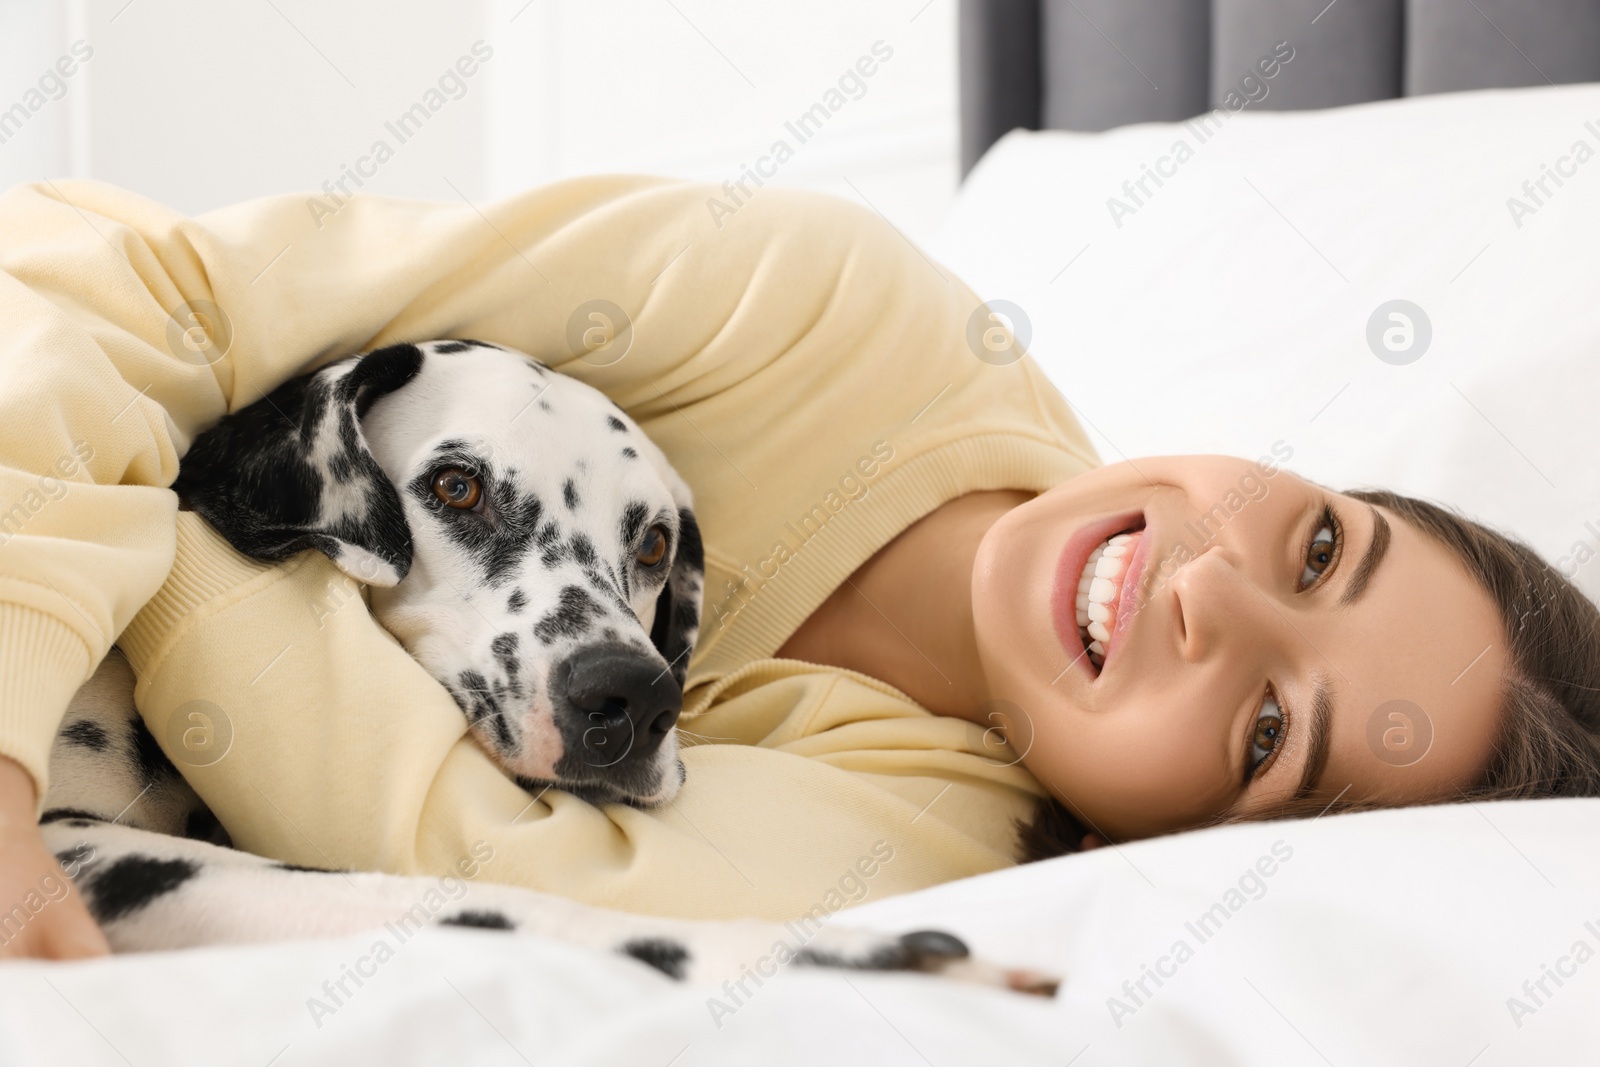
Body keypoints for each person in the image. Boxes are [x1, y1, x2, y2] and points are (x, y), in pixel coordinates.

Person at [1, 176, 1596, 962]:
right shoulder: (834, 306)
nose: (1210, 596)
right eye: (1320, 545)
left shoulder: (911, 857)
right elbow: (153, 297)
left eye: (1267, 735)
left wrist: (184, 501)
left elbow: (424, 832)